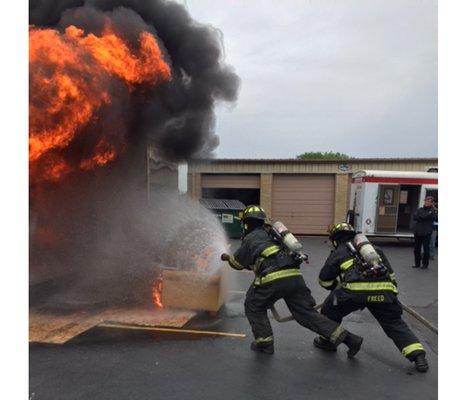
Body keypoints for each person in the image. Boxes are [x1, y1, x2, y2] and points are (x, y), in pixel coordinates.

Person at [220, 205, 363, 357]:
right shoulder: (273, 234)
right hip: (295, 277)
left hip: (272, 279)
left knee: (253, 305)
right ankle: (350, 339)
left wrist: (228, 258)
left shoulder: (251, 237)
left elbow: (237, 264)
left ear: (246, 223)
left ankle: (264, 343)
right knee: (307, 314)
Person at [314, 222, 429, 372]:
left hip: (352, 294)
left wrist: (334, 288)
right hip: (384, 292)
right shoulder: (375, 250)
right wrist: (390, 295)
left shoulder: (339, 252)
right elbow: (391, 275)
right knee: (395, 324)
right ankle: (418, 356)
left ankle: (327, 341)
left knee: (329, 310)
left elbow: (324, 280)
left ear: (335, 239)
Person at [412, 196, 438, 269]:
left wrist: (421, 217)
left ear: (432, 203)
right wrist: (425, 216)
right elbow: (415, 217)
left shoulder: (433, 211)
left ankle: (425, 264)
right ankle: (417, 264)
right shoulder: (420, 209)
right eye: (426, 201)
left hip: (427, 232)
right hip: (417, 232)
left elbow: (434, 218)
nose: (427, 202)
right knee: (416, 249)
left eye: (429, 201)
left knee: (426, 250)